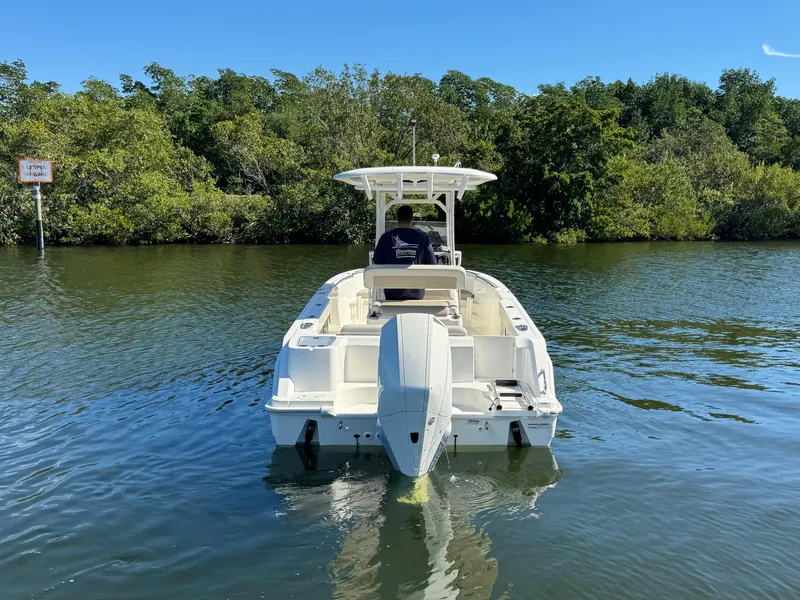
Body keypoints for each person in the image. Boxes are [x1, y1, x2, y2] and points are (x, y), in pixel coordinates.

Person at [373, 205, 437, 300]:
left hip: (392, 294)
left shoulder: (385, 238)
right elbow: (432, 263)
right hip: (416, 295)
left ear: (397, 219)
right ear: (412, 219)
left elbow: (377, 261)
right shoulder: (423, 238)